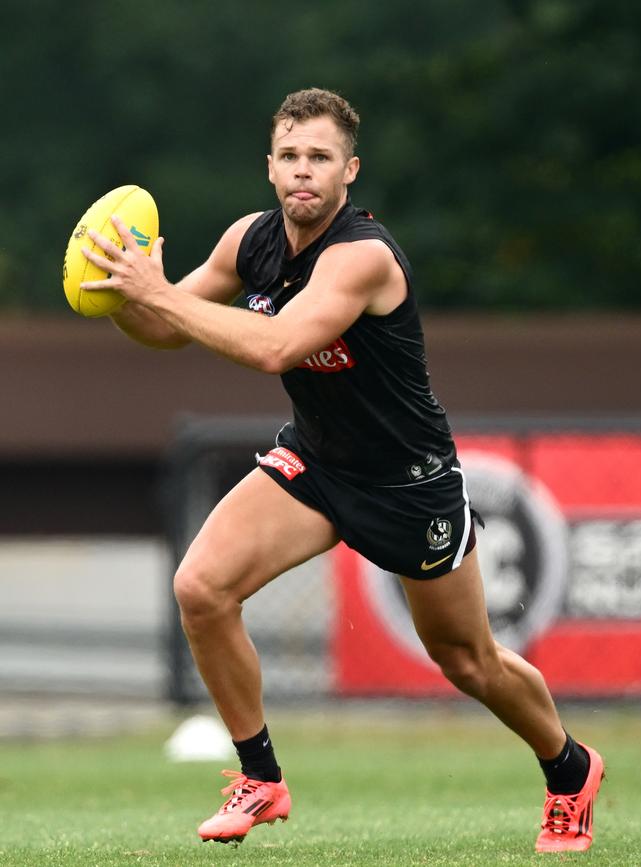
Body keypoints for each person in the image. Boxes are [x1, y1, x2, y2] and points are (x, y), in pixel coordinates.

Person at [81, 88, 604, 853]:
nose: (303, 172)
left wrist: (157, 296)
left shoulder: (363, 256)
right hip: (319, 461)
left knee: (468, 659)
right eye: (290, 156)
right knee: (201, 587)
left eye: (320, 159)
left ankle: (570, 768)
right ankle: (260, 777)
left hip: (408, 481)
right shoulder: (248, 242)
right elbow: (165, 325)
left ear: (348, 171)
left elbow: (274, 347)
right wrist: (125, 292)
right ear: (269, 166)